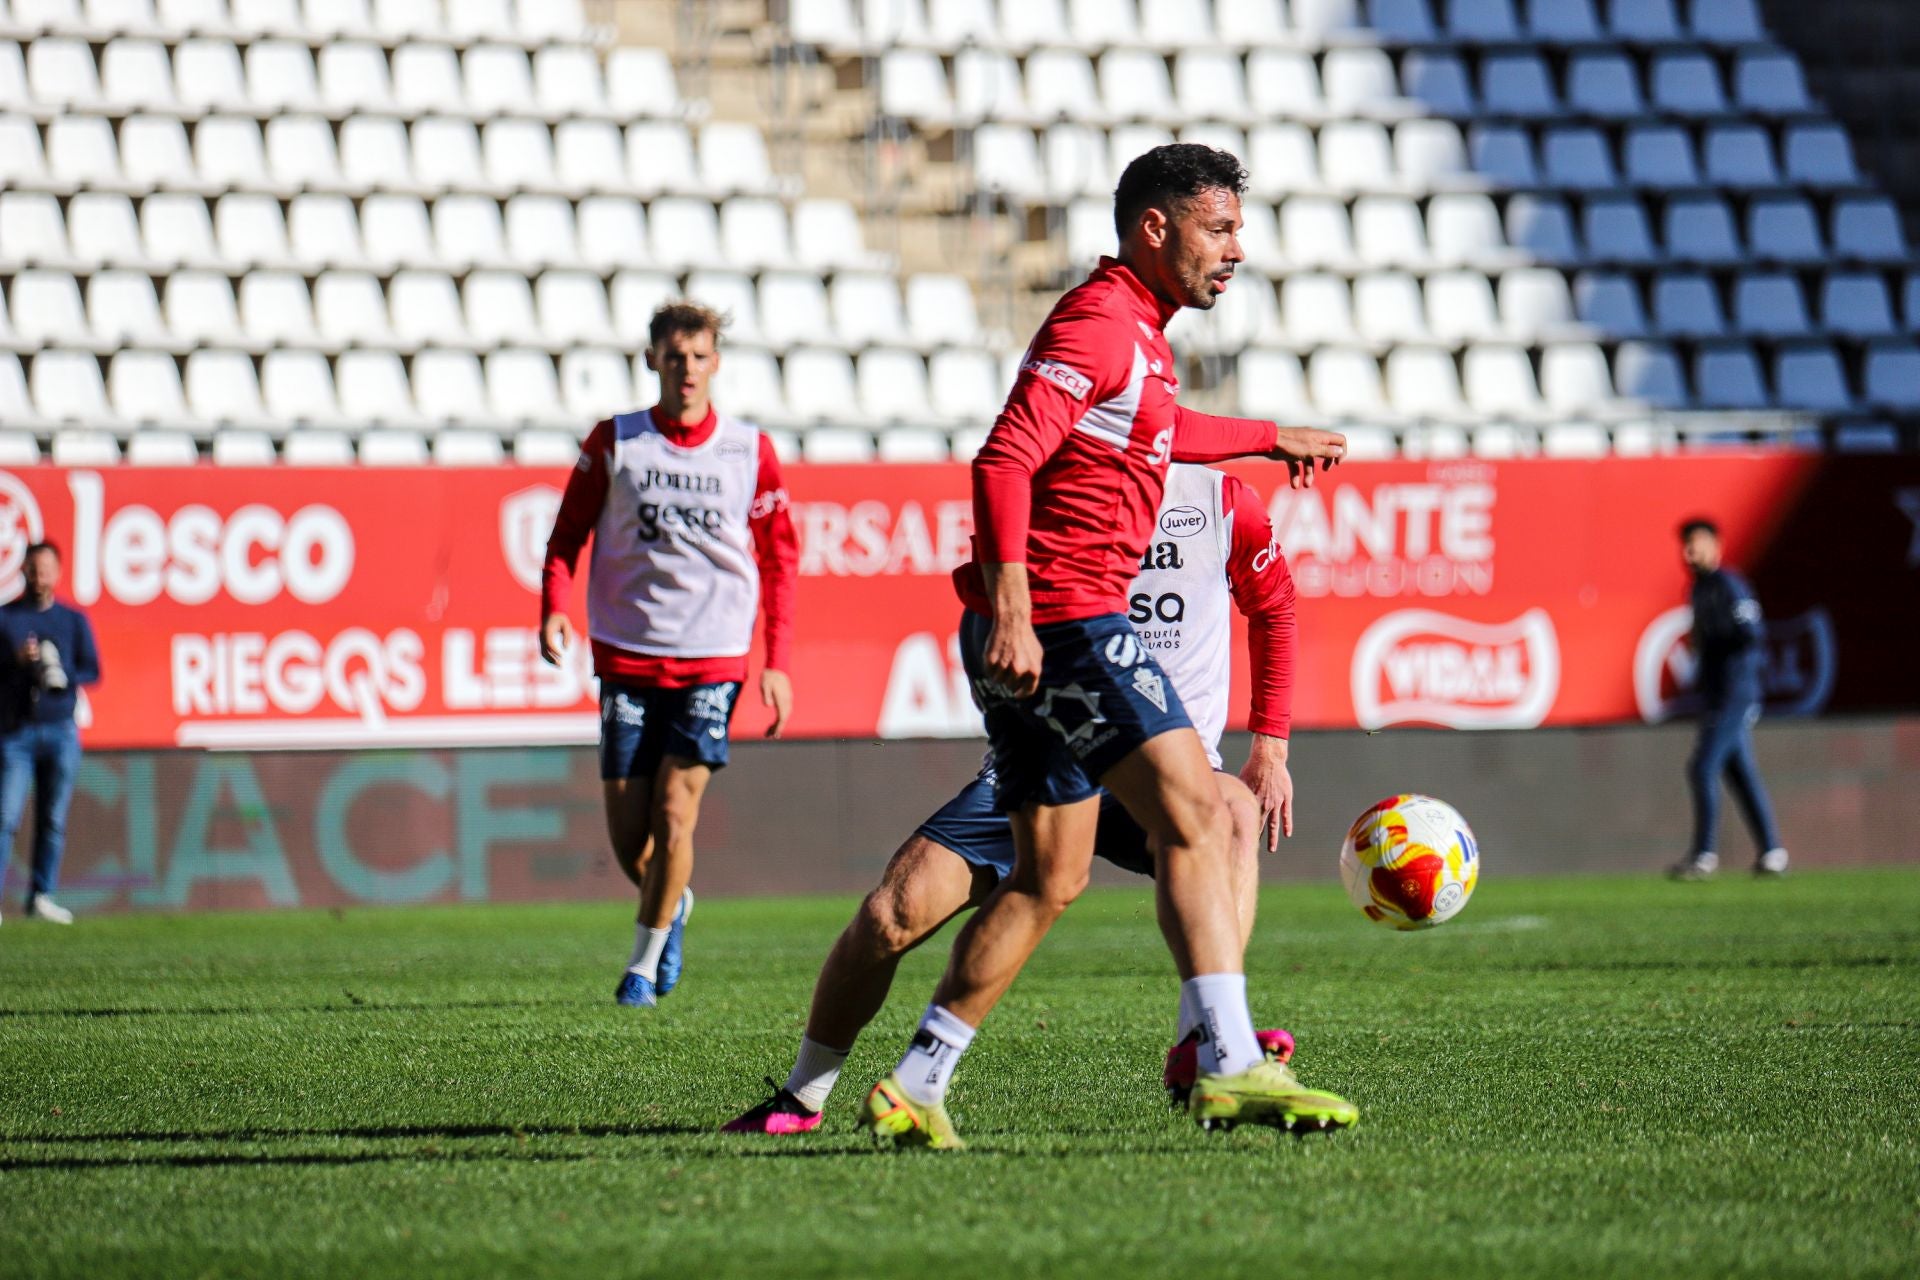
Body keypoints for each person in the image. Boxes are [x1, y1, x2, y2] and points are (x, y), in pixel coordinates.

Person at [859, 143, 1353, 1149]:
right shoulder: (1100, 324)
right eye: (1220, 229)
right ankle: (1225, 1059)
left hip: (1049, 622)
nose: (1236, 250)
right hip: (1065, 619)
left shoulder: (1139, 336)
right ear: (1155, 228)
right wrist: (1014, 611)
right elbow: (1003, 458)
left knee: (1051, 879)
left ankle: (917, 1080)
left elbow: (1165, 431)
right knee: (1204, 813)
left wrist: (1268, 434)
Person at [725, 464, 1302, 1134]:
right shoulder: (1041, 489)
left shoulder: (1220, 501)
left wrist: (1271, 748)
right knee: (892, 914)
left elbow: (1275, 606)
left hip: (1163, 760)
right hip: (1049, 756)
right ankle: (802, 1096)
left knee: (1232, 812)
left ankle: (1202, 1043)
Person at [541, 301, 799, 1005]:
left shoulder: (748, 451)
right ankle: (673, 902)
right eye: (675, 356)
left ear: (717, 362)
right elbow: (566, 536)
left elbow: (780, 559)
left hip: (713, 657)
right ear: (652, 359)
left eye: (699, 356)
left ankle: (641, 967)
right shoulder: (617, 441)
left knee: (676, 813)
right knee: (631, 838)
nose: (687, 369)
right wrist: (554, 607)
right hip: (629, 654)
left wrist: (776, 661)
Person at [1669, 518, 1788, 880]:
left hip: (1736, 693)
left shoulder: (1729, 585)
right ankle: (1772, 851)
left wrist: (1713, 638)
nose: (1690, 552)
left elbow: (1751, 634)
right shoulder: (1698, 589)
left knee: (1703, 767)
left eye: (1696, 543)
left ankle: (1705, 854)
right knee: (1740, 773)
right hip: (1717, 693)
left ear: (1716, 545)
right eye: (1686, 545)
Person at [0, 542, 100, 926]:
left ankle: (42, 895)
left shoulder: (71, 620)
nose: (39, 577)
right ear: (23, 571)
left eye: (45, 570)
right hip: (16, 732)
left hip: (61, 730)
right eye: (33, 569)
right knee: (5, 817)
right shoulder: (6, 618)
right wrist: (16, 662)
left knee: (53, 819)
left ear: (57, 573)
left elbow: (93, 670)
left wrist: (60, 671)